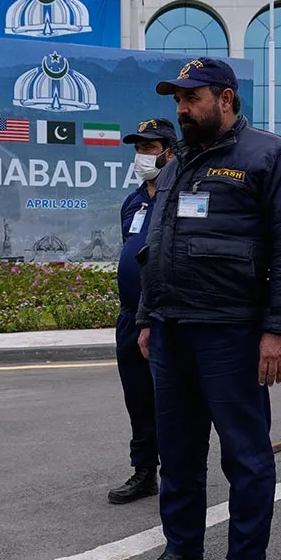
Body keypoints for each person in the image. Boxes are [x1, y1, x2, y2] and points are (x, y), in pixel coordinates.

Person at [124, 57, 281, 560]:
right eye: (177, 100)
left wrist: (278, 330)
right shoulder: (177, 164)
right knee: (178, 453)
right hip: (173, 330)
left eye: (191, 98)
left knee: (246, 456)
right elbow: (158, 243)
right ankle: (182, 552)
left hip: (231, 331)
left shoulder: (269, 156)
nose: (180, 109)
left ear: (225, 99)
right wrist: (148, 316)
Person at [107, 117, 177, 505]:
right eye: (138, 148)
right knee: (137, 397)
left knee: (168, 398)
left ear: (169, 152)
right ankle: (144, 471)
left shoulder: (182, 196)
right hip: (130, 316)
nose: (142, 156)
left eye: (150, 148)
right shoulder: (132, 202)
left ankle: (177, 473)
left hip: (165, 319)